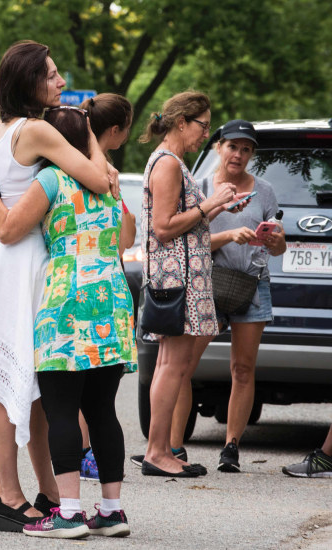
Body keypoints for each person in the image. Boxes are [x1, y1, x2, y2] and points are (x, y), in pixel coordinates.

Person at [0, 40, 110, 533]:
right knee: (9, 381)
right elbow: (99, 179)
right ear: (29, 83)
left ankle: (45, 492)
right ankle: (8, 495)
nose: (61, 82)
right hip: (21, 262)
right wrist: (87, 131)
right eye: (51, 74)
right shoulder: (38, 130)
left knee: (40, 387)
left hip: (18, 262)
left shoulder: (3, 128)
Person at [0, 104, 137, 539]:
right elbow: (127, 238)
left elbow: (10, 229)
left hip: (68, 303)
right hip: (113, 301)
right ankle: (111, 511)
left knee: (62, 408)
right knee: (103, 411)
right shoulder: (107, 182)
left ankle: (68, 512)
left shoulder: (51, 179)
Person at [136, 91, 251, 478]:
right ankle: (158, 451)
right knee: (172, 365)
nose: (206, 134)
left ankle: (160, 449)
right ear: (182, 122)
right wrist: (209, 203)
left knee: (173, 364)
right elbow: (164, 227)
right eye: (204, 126)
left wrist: (220, 205)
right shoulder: (168, 164)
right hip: (178, 279)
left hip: (182, 277)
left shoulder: (171, 162)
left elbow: (184, 219)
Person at [75, 93, 137, 483]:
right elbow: (124, 239)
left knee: (80, 381)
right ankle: (86, 453)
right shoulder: (103, 174)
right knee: (94, 387)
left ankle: (85, 452)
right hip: (99, 286)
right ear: (114, 130)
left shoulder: (69, 163)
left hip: (76, 285)